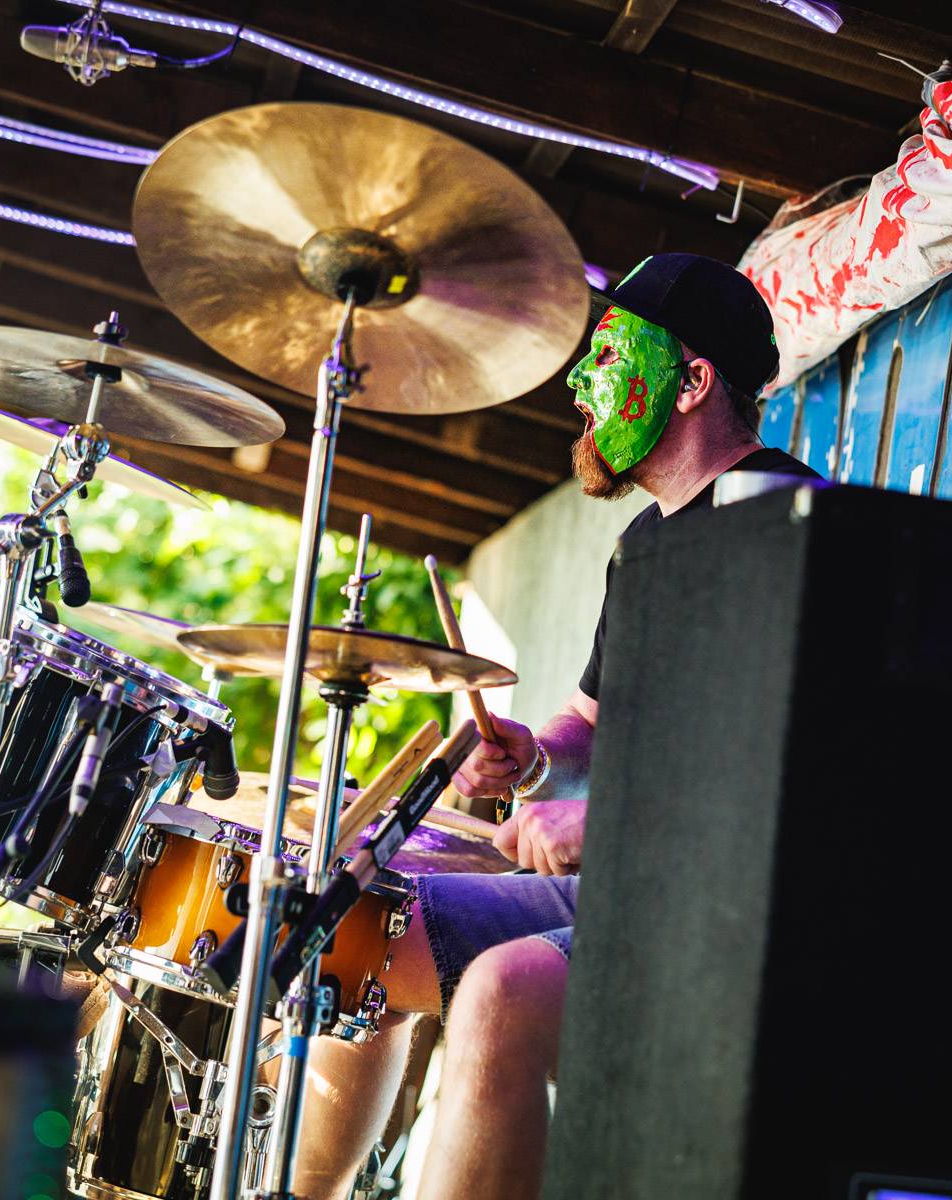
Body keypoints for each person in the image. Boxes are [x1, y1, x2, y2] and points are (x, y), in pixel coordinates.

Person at [284, 253, 818, 1200]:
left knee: (502, 996)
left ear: (692, 382)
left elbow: (800, 772)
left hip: (739, 915)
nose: (579, 384)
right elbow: (590, 725)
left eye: (609, 356)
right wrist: (533, 757)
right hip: (630, 889)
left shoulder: (786, 527)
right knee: (357, 927)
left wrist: (610, 825)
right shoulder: (646, 545)